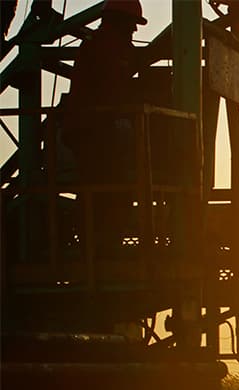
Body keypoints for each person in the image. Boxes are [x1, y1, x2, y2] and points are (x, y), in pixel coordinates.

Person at [62, 0, 146, 257]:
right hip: (94, 132)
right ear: (119, 23)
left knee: (102, 190)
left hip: (89, 131)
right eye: (132, 26)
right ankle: (101, 244)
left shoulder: (103, 46)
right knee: (108, 190)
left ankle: (99, 241)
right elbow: (112, 88)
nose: (134, 32)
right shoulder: (105, 48)